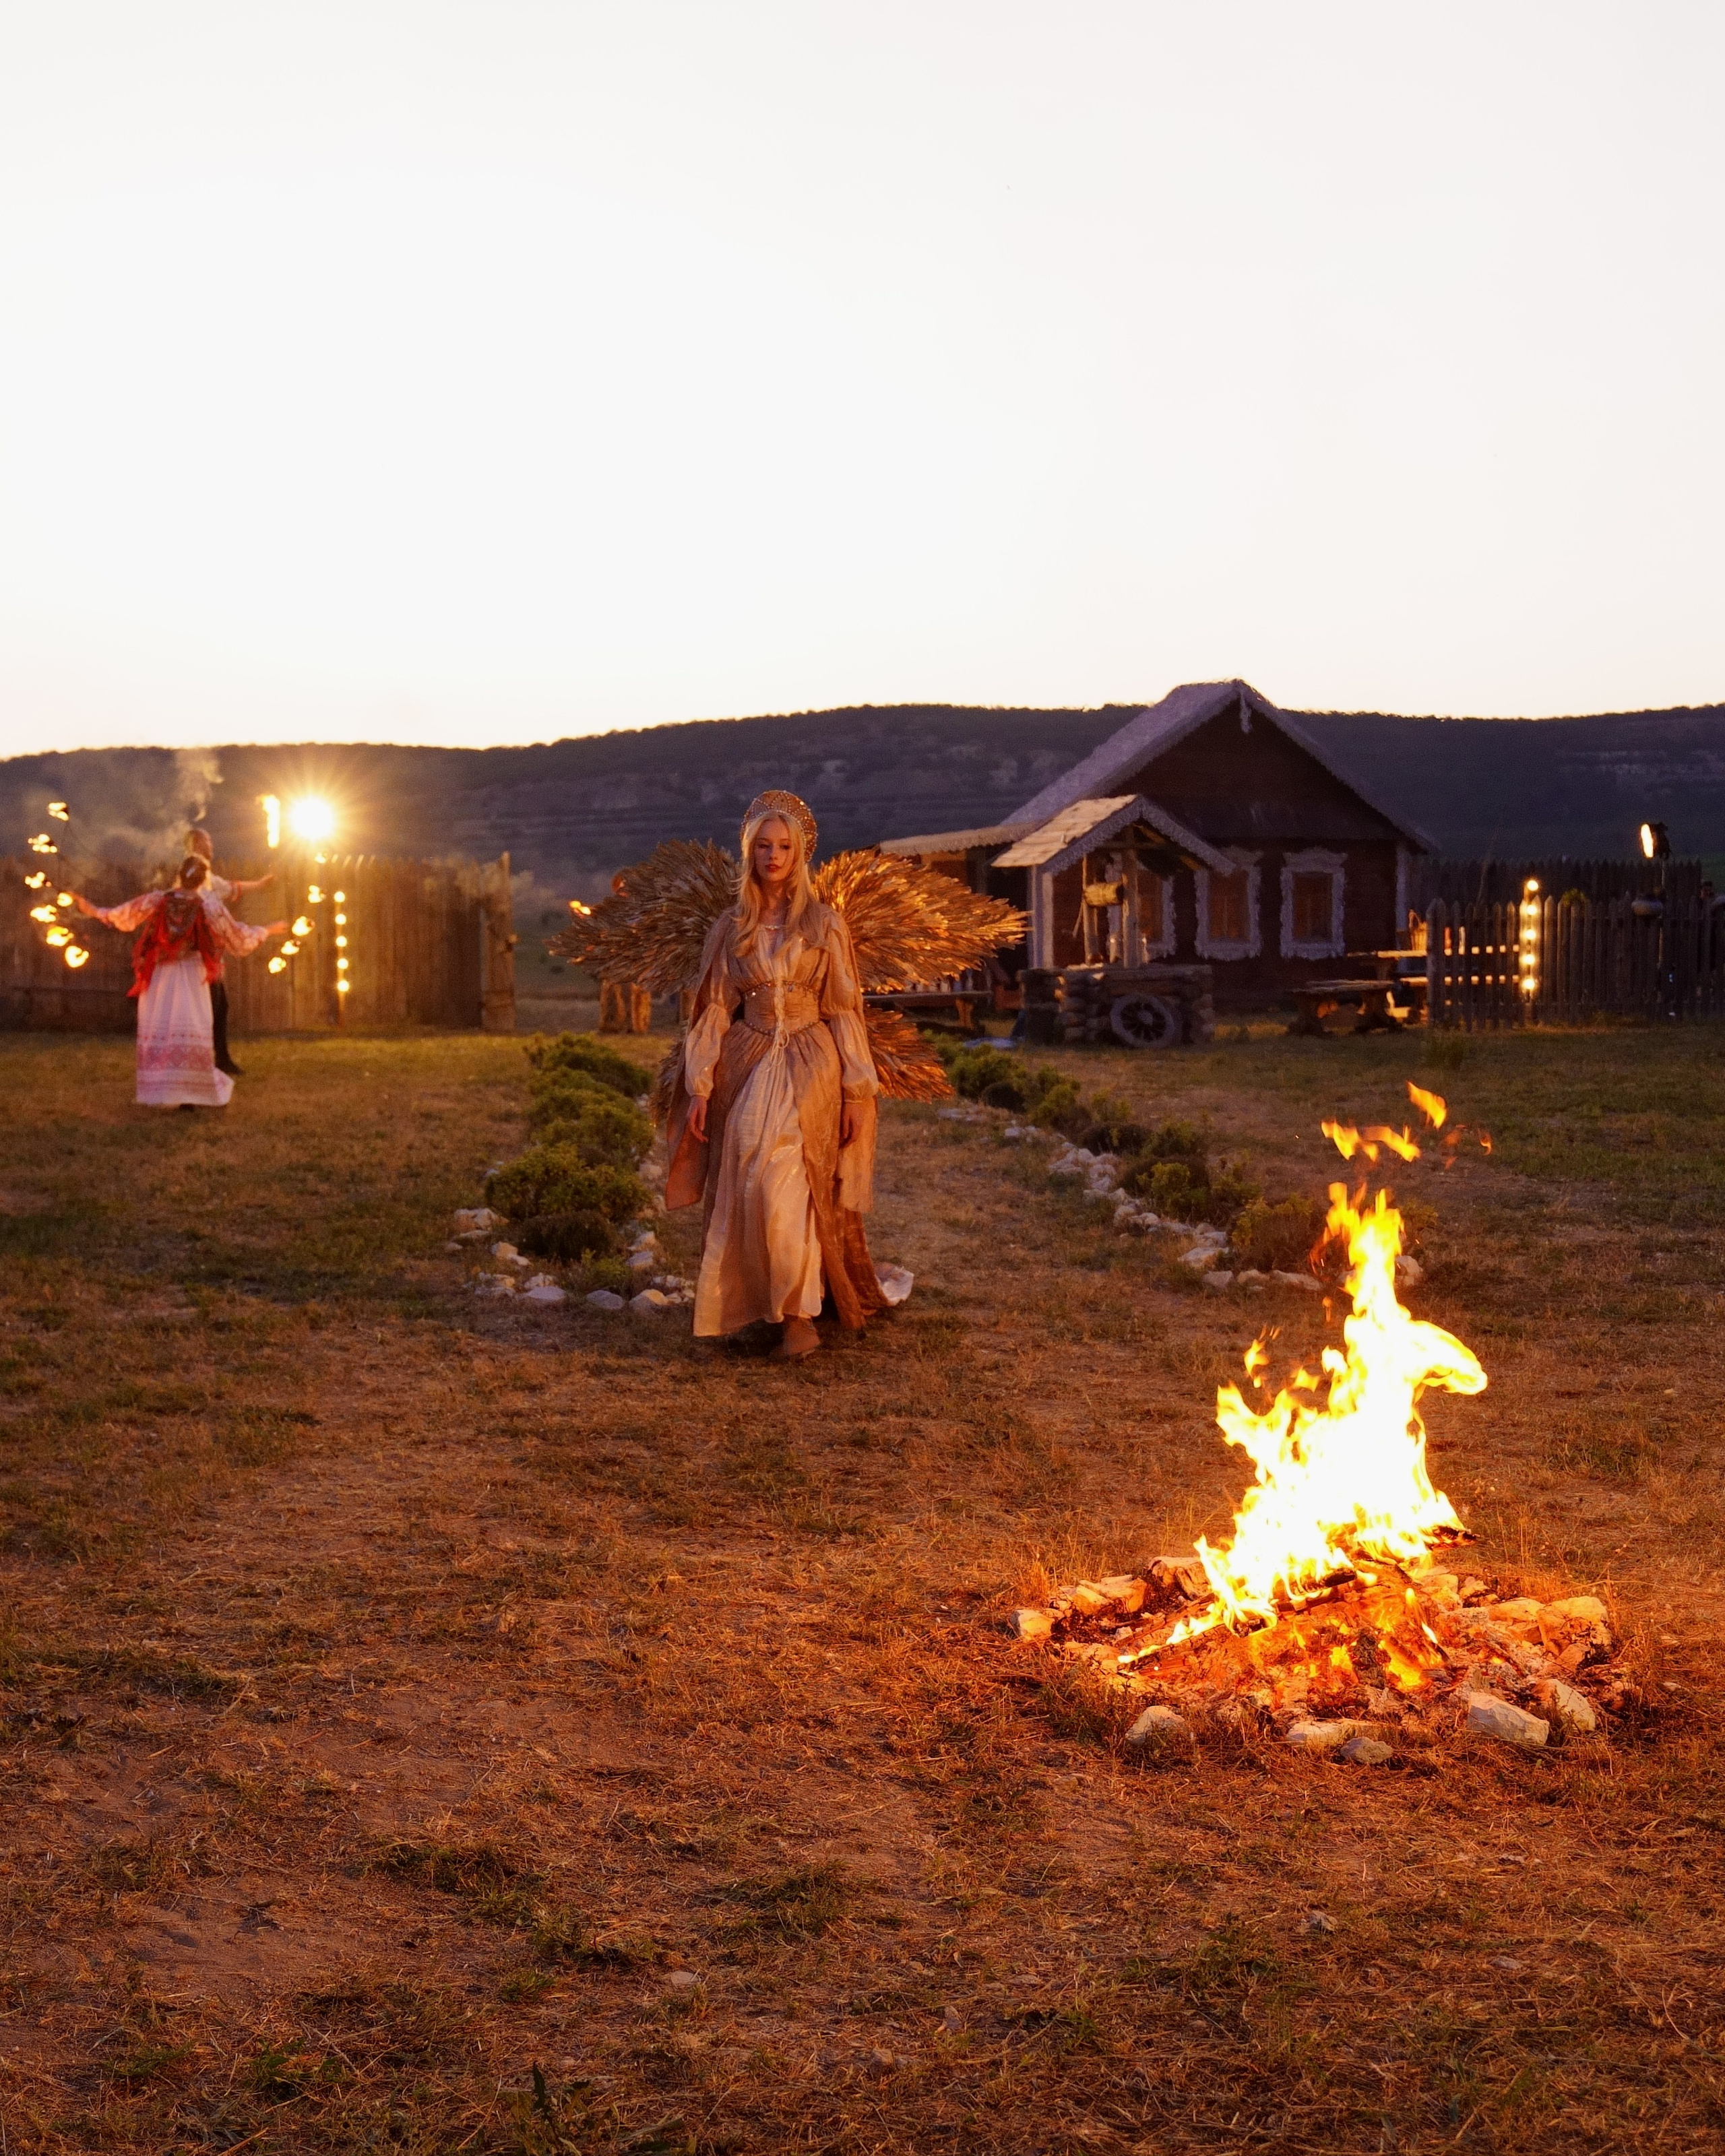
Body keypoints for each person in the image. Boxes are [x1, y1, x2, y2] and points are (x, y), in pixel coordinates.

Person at [664, 792, 887, 1359]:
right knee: (745, 1179)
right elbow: (715, 1008)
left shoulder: (824, 924)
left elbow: (843, 1009)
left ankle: (797, 1317)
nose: (774, 855)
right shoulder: (731, 926)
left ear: (800, 853)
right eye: (764, 845)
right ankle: (751, 1303)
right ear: (750, 851)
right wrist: (700, 1085)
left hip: (812, 1064)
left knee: (790, 1184)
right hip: (747, 1061)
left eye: (784, 846)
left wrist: (857, 1093)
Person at [70, 858, 286, 1108]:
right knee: (190, 1027)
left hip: (160, 977)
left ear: (179, 876)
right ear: (203, 880)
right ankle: (188, 1094)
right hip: (192, 976)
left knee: (164, 1030)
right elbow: (237, 938)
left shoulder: (158, 900)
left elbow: (123, 916)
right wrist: (267, 930)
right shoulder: (209, 906)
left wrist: (93, 910)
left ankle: (163, 1090)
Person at [186, 827, 273, 1077]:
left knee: (219, 1007)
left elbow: (230, 888)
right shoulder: (197, 875)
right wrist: (266, 931)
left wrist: (259, 884)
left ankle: (218, 1059)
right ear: (197, 843)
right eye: (208, 840)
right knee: (211, 1009)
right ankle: (210, 1061)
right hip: (198, 959)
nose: (212, 845)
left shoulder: (204, 875)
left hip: (208, 957)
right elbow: (223, 902)